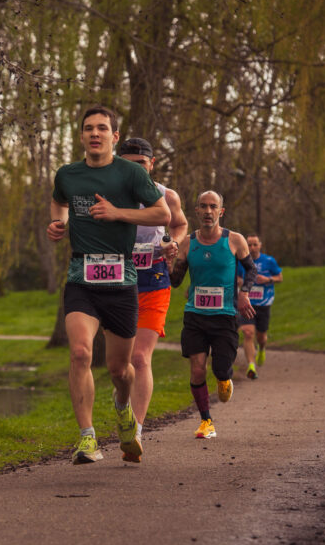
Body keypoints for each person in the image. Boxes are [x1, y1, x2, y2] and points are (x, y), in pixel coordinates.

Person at [46, 107, 171, 465]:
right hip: (81, 276)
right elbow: (59, 200)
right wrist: (58, 222)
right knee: (81, 353)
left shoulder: (130, 173)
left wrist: (118, 213)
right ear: (82, 135)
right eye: (88, 129)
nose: (95, 134)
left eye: (102, 128)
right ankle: (87, 438)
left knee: (120, 369)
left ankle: (122, 407)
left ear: (114, 137)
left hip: (122, 279)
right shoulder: (68, 174)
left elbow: (162, 214)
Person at [117, 138, 188, 461]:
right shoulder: (109, 194)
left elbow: (180, 224)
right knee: (120, 365)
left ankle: (137, 432)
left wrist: (173, 242)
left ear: (152, 163)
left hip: (154, 282)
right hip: (116, 283)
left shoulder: (166, 195)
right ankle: (122, 405)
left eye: (140, 163)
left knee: (141, 359)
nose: (135, 168)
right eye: (128, 162)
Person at [169, 191, 257, 439]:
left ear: (221, 211)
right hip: (195, 315)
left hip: (225, 316)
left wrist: (244, 293)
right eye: (203, 207)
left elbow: (251, 270)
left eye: (213, 207)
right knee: (197, 369)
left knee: (220, 369)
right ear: (196, 211)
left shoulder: (235, 240)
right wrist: (168, 266)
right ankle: (206, 421)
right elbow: (176, 281)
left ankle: (224, 378)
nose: (208, 211)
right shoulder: (187, 243)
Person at [237, 234, 283, 379]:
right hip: (247, 303)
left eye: (254, 244)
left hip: (264, 303)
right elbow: (237, 277)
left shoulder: (269, 261)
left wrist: (268, 279)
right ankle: (251, 365)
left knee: (261, 336)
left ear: (260, 245)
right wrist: (239, 282)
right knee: (248, 332)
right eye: (249, 245)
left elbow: (280, 277)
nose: (252, 247)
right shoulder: (241, 262)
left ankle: (262, 348)